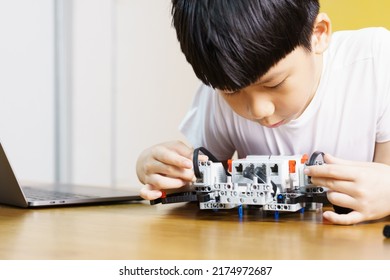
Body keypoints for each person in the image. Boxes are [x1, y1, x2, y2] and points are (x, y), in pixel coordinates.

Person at [136, 0, 390, 225]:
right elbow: (199, 182)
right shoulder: (220, 83)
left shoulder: (376, 62)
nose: (259, 110)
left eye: (274, 84)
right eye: (232, 91)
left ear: (318, 34)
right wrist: (162, 171)